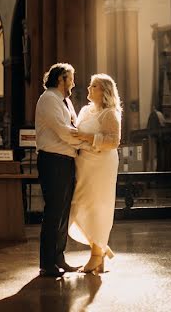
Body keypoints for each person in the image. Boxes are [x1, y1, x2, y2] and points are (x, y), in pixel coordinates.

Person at [69, 73, 122, 274]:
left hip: (102, 165)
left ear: (105, 91)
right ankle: (99, 248)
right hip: (84, 164)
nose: (89, 89)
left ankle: (96, 255)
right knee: (79, 206)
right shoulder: (84, 110)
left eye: (94, 87)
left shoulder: (110, 113)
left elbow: (113, 141)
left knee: (98, 206)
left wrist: (86, 137)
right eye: (90, 86)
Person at [35, 62, 83, 278]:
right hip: (52, 161)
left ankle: (59, 257)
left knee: (64, 212)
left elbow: (74, 128)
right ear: (60, 79)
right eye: (70, 77)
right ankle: (47, 263)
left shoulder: (65, 101)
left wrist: (78, 140)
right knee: (54, 211)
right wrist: (85, 143)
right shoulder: (48, 99)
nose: (73, 82)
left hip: (65, 161)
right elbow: (65, 132)